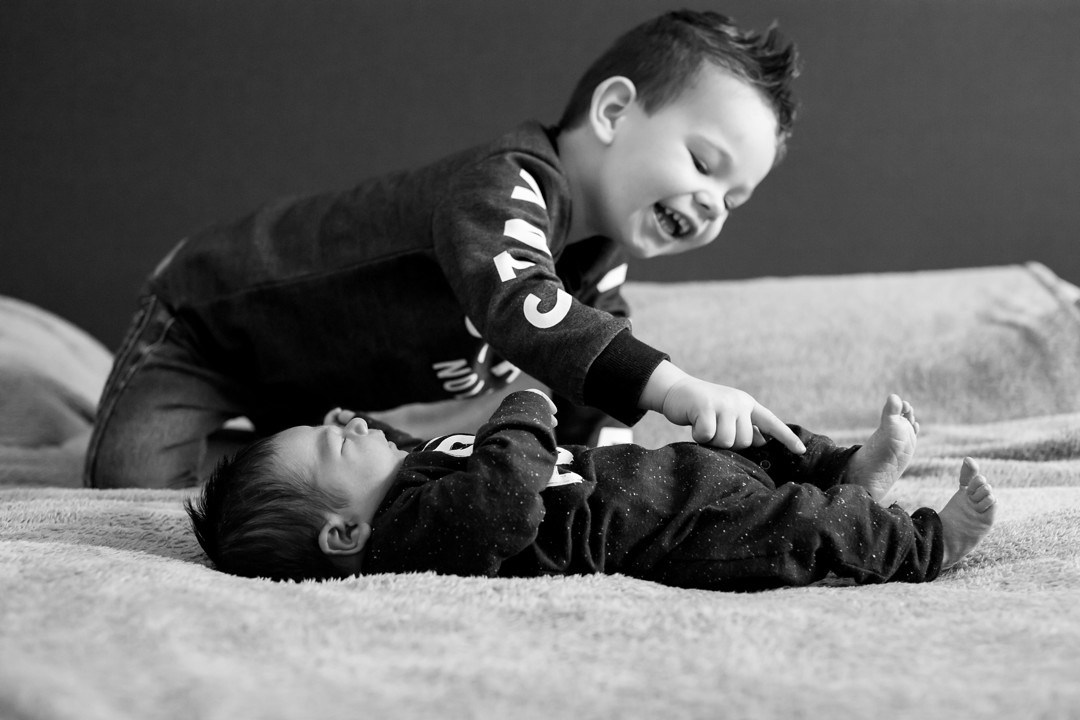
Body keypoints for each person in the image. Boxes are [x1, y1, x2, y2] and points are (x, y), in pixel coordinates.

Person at [86, 9, 804, 489]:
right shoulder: (499, 187)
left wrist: (596, 471)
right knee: (132, 484)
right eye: (705, 165)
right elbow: (529, 308)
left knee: (309, 487)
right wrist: (674, 387)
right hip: (208, 329)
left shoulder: (597, 263)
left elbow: (583, 379)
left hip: (314, 386)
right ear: (615, 111)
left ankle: (248, 444)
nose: (712, 204)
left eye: (734, 200)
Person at [185, 390, 998, 590]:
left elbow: (470, 457)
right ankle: (923, 542)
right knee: (791, 527)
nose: (355, 423)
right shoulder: (411, 532)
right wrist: (522, 408)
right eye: (335, 443)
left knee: (751, 443)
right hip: (666, 532)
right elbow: (504, 497)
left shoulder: (411, 472)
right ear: (342, 534)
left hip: (653, 478)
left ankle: (845, 472)